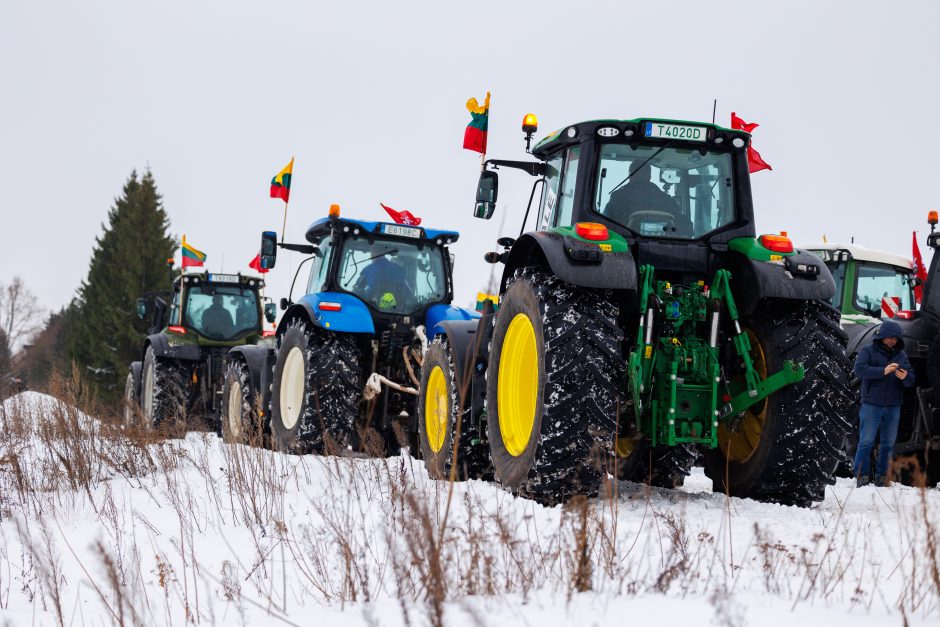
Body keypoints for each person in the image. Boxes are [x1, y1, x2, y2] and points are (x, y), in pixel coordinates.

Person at [853, 319, 915, 487]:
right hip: (871, 404)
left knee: (888, 444)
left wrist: (905, 377)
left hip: (893, 406)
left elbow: (910, 379)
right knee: (866, 442)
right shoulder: (867, 350)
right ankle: (861, 477)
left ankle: (882, 478)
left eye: (895, 338)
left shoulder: (901, 355)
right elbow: (859, 370)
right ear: (881, 337)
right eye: (889, 337)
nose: (892, 340)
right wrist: (883, 371)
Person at [604, 161, 692, 236]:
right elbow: (686, 227)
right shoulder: (665, 199)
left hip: (625, 243)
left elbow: (605, 225)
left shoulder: (617, 197)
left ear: (630, 175)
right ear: (649, 176)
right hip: (662, 246)